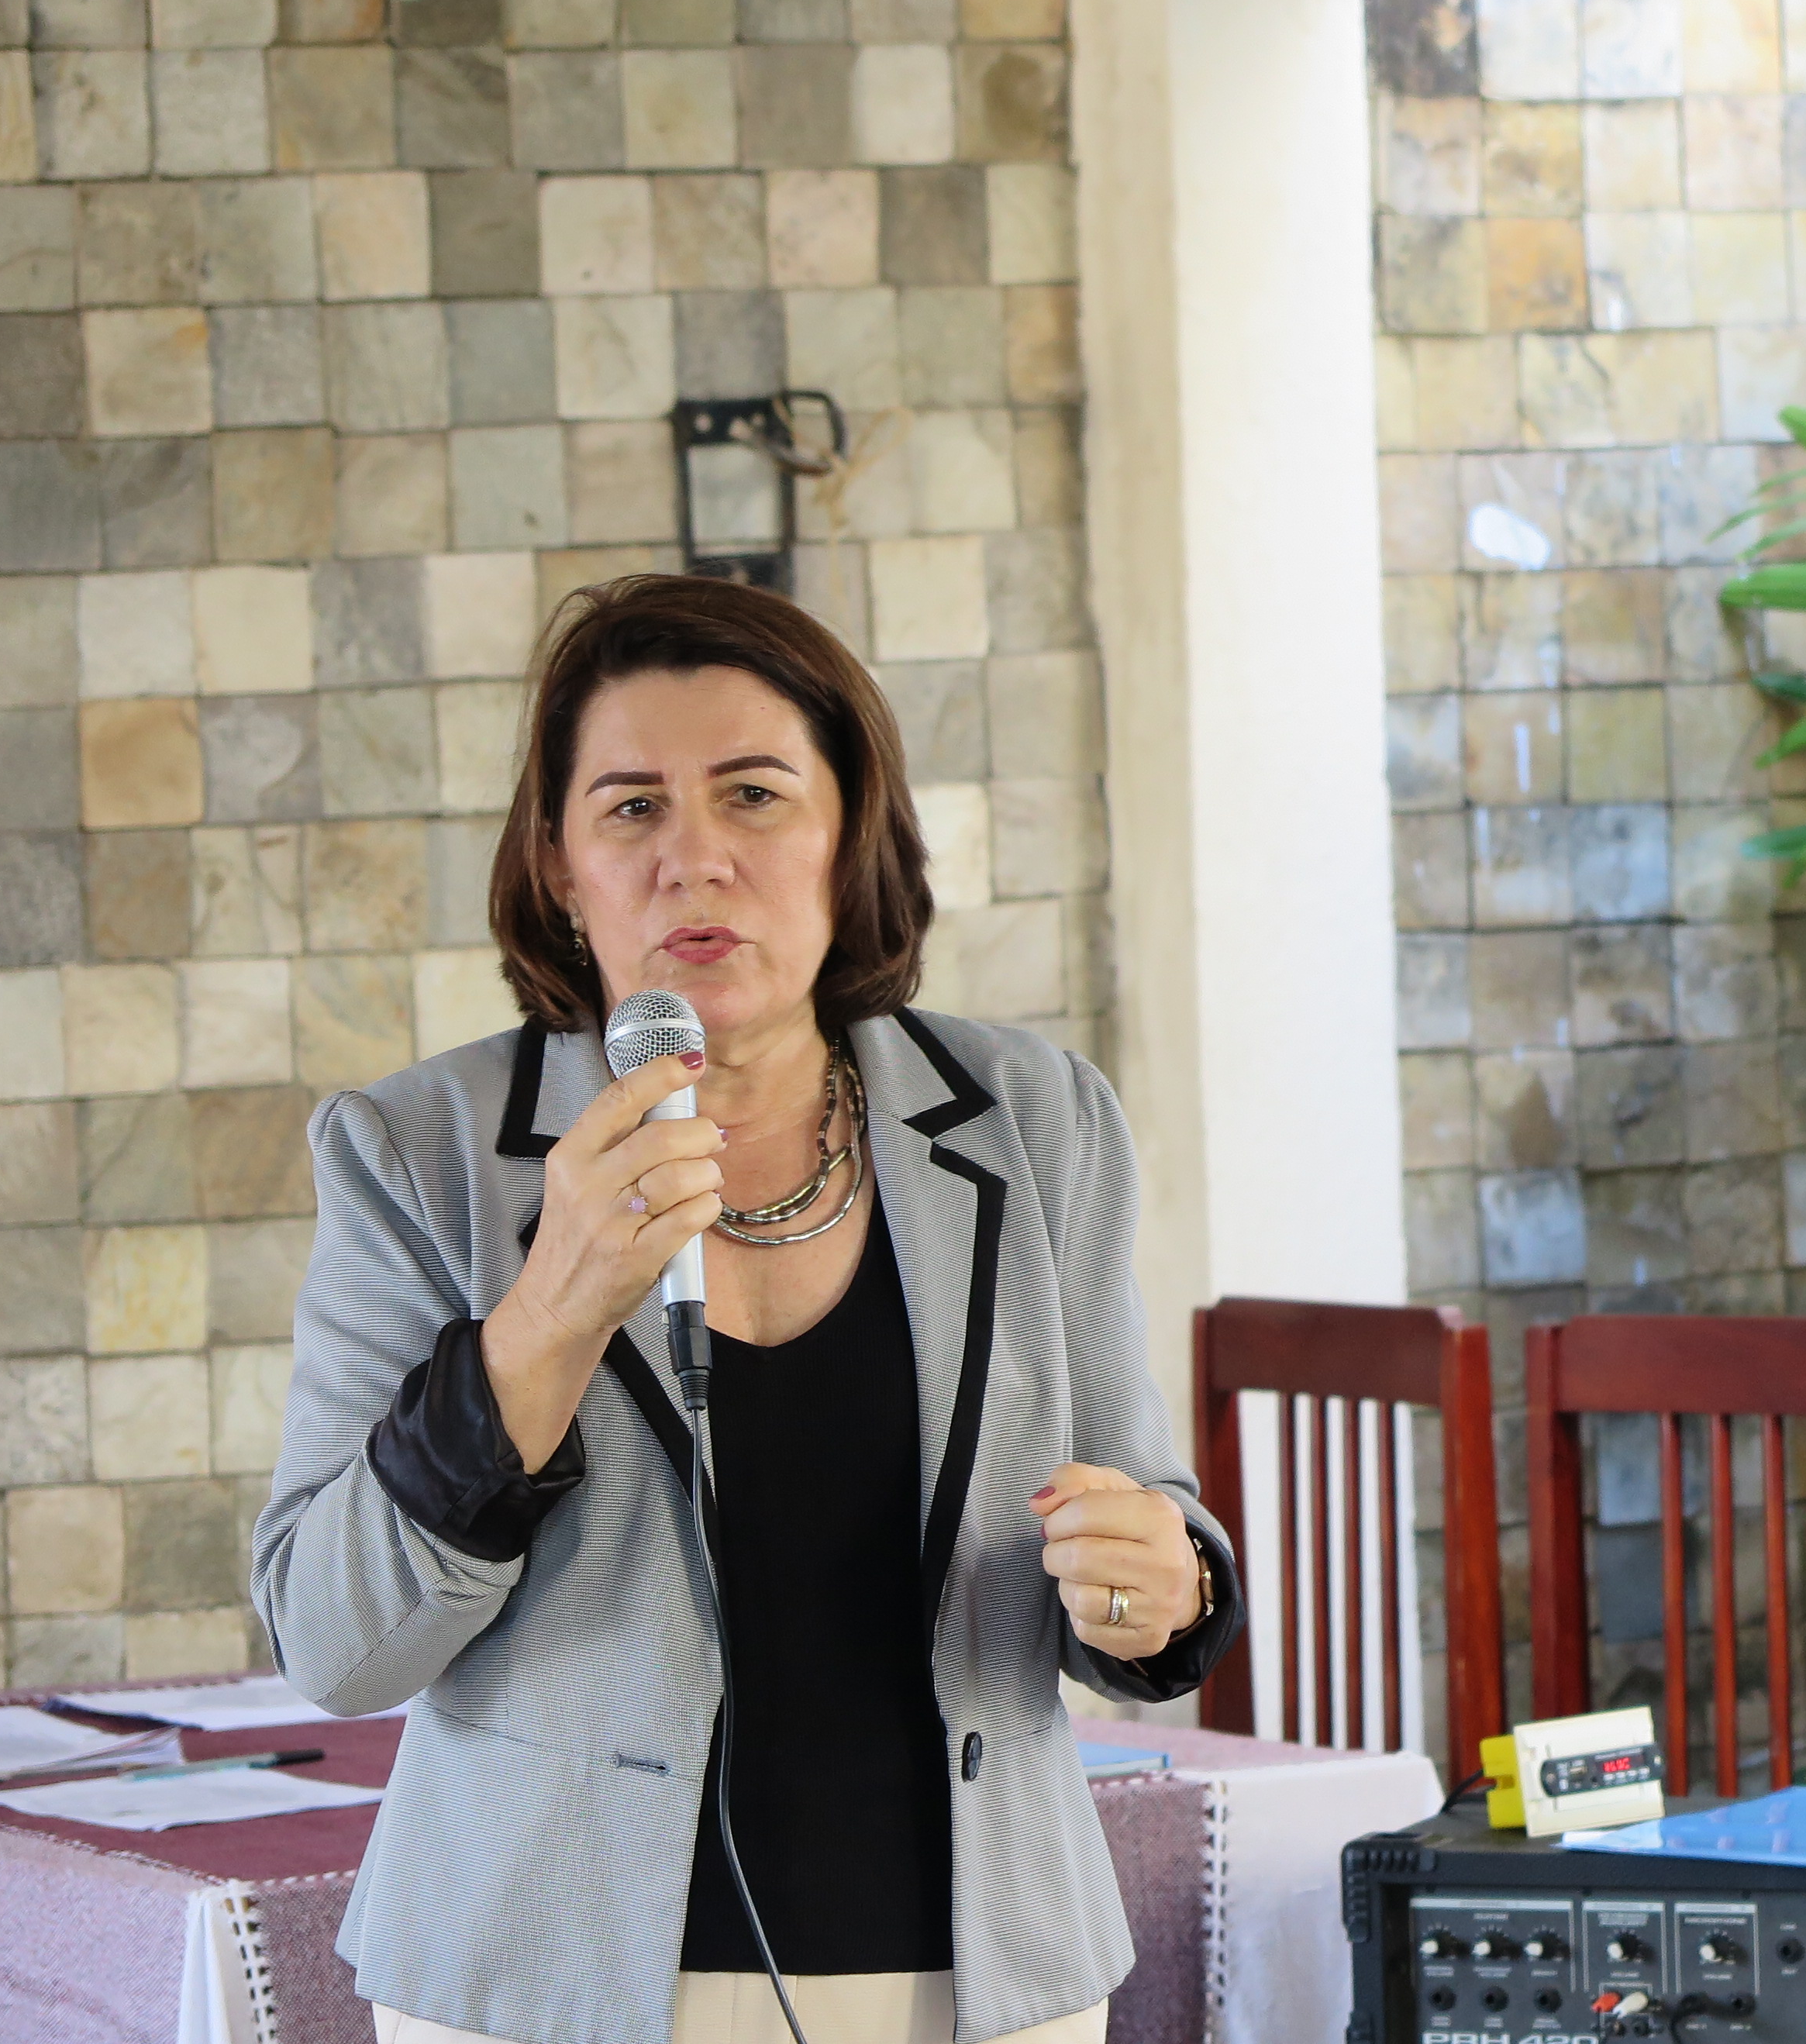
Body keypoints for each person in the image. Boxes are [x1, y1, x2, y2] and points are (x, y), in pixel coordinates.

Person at [253, 574, 1239, 2044]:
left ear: (850, 836)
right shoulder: (418, 1153)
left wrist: (1166, 1586)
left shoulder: (1036, 1119)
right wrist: (548, 1313)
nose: (694, 859)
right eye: (632, 807)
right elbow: (337, 1646)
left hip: (981, 1980)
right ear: (561, 865)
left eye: (755, 796)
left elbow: (1137, 1520)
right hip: (544, 1984)